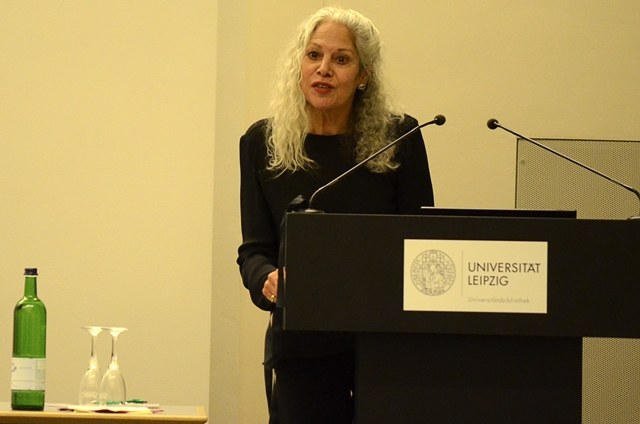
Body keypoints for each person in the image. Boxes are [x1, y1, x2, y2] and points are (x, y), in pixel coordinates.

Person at [237, 7, 435, 424]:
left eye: (341, 59)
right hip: (302, 347)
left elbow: (423, 243)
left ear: (364, 75)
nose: (324, 69)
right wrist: (266, 278)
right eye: (314, 55)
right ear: (299, 64)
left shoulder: (399, 139)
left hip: (384, 346)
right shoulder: (262, 143)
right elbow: (254, 250)